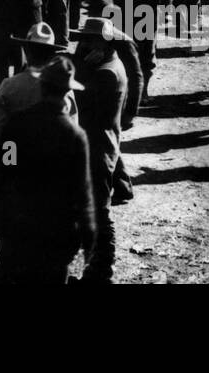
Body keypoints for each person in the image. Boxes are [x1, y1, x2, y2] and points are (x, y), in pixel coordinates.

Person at [0, 55, 95, 284]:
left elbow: (1, 173)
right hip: (56, 238)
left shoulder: (15, 126)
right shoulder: (75, 137)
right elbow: (82, 193)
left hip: (17, 231)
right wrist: (88, 241)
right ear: (66, 92)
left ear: (43, 87)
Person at [71, 16, 128, 284]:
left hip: (98, 149)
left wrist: (80, 68)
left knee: (100, 214)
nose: (82, 45)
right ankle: (96, 269)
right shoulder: (109, 63)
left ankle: (103, 271)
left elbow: (80, 100)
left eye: (88, 40)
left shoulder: (105, 72)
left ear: (103, 44)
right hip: (100, 146)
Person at [0, 21, 72, 157]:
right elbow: (71, 134)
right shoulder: (63, 88)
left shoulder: (10, 86)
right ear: (52, 54)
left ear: (27, 50)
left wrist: (9, 166)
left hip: (18, 167)